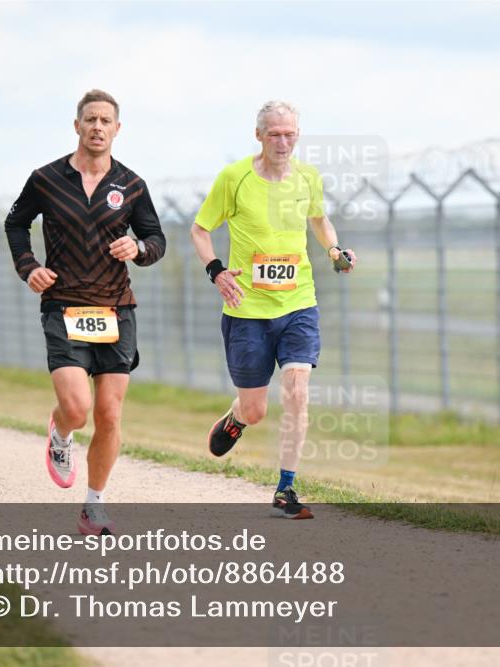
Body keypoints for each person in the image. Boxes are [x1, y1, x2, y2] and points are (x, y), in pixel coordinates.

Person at [4, 89, 165, 536]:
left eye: (106, 121)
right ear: (77, 126)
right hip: (64, 304)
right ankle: (61, 430)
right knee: (78, 408)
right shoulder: (46, 179)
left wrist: (138, 248)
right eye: (90, 119)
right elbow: (15, 223)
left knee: (110, 415)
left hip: (117, 308)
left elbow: (156, 240)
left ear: (117, 129)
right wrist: (28, 267)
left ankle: (94, 504)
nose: (97, 127)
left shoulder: (131, 185)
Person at [191, 100, 356, 520]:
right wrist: (216, 271)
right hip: (247, 309)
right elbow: (200, 229)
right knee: (257, 410)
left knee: (298, 391)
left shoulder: (308, 178)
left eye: (289, 133)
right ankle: (237, 417)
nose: (283, 141)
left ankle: (286, 488)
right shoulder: (235, 178)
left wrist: (334, 249)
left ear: (297, 135)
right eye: (274, 134)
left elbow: (319, 221)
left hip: (299, 302)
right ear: (259, 135)